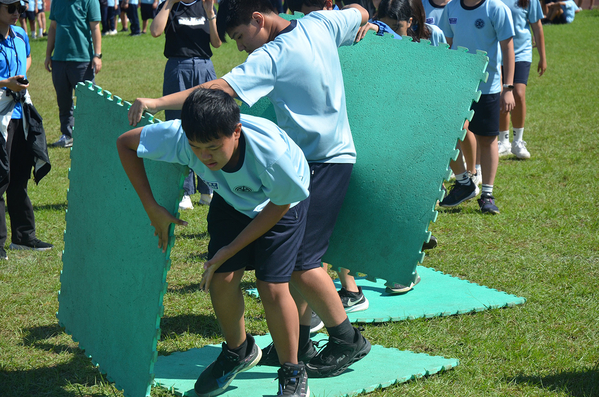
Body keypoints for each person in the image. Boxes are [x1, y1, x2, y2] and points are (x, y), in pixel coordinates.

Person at [128, 0, 372, 380]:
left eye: (241, 36)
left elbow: (218, 89)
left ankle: (348, 339)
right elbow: (359, 10)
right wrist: (363, 23)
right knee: (299, 262)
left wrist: (158, 102)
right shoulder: (320, 23)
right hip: (326, 155)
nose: (241, 47)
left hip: (316, 162)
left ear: (259, 19)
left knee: (302, 264)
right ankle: (302, 341)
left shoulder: (272, 56)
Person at [118, 87, 311, 397]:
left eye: (212, 148)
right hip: (231, 201)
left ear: (236, 131)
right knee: (220, 279)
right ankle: (239, 352)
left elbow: (280, 206)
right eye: (196, 148)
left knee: (272, 287)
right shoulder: (183, 138)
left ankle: (292, 371)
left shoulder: (272, 156)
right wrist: (152, 208)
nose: (204, 158)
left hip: (280, 204)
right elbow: (125, 144)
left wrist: (229, 249)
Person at [438, 0, 516, 215]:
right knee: (451, 133)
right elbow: (448, 44)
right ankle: (464, 183)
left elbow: (508, 47)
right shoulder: (451, 7)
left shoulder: (496, 8)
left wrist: (508, 87)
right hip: (457, 85)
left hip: (488, 86)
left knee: (488, 139)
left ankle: (487, 195)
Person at [150, 0, 221, 210]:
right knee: (179, 127)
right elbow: (155, 31)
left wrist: (210, 12)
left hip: (204, 67)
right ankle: (184, 191)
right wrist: (170, 3)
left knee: (209, 124)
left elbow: (216, 43)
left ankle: (208, 189)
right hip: (177, 67)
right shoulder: (170, 5)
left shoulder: (206, 4)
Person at [0, 0, 53, 259]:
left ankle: (24, 236)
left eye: (19, 7)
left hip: (21, 113)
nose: (17, 13)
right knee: (1, 177)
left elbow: (28, 55)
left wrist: (20, 74)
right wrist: (5, 82)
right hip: (1, 115)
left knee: (20, 175)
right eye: (10, 8)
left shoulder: (20, 33)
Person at [45, 0, 102, 148]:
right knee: (63, 101)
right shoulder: (57, 2)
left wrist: (97, 55)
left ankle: (91, 134)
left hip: (82, 60)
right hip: (59, 60)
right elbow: (53, 27)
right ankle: (67, 134)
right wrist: (48, 54)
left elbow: (95, 27)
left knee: (87, 100)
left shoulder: (90, 1)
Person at [498, 0, 546, 159]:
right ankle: (503, 141)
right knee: (499, 95)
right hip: (497, 54)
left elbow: (537, 26)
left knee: (518, 94)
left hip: (520, 53)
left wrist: (542, 57)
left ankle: (518, 141)